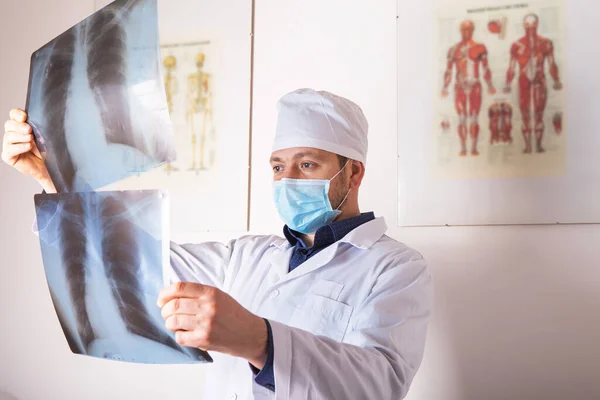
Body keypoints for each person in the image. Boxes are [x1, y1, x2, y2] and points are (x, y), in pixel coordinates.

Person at [2, 88, 433, 399]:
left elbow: (379, 384)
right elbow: (134, 262)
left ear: (353, 174)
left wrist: (261, 341)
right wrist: (53, 177)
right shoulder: (246, 255)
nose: (288, 180)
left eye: (307, 164)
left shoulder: (396, 268)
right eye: (278, 167)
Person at [504, 13, 563, 154]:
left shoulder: (546, 43)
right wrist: (507, 83)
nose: (530, 28)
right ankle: (528, 147)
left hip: (539, 81)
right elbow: (512, 67)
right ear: (523, 26)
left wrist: (556, 80)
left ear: (537, 25)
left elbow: (552, 64)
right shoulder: (516, 45)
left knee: (538, 114)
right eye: (527, 25)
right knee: (525, 114)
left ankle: (538, 146)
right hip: (524, 82)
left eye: (533, 25)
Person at [442, 20, 496, 156]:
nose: (467, 32)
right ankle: (463, 148)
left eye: (469, 30)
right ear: (460, 31)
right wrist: (444, 87)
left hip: (475, 86)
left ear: (473, 30)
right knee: (461, 117)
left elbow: (486, 68)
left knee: (474, 117)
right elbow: (448, 71)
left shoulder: (480, 48)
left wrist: (490, 85)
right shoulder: (453, 50)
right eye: (464, 30)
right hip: (460, 86)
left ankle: (473, 148)